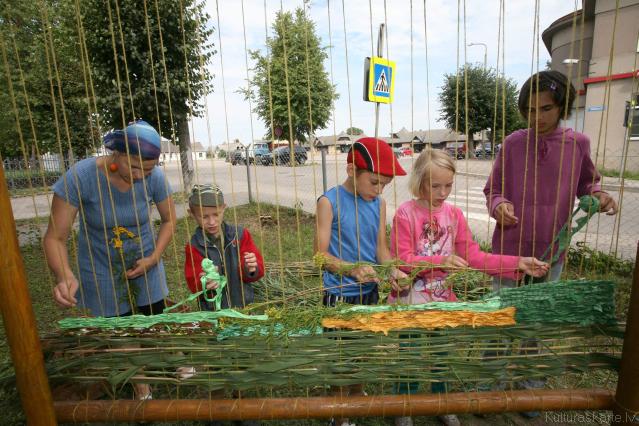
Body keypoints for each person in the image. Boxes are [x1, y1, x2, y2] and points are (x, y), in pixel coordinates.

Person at [482, 70, 618, 417]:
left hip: (550, 252)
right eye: (529, 109)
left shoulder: (578, 144)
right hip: (508, 251)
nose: (536, 117)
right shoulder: (512, 144)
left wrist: (599, 195)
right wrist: (498, 205)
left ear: (562, 107)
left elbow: (588, 184)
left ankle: (529, 390)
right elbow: (493, 189)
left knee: (537, 320)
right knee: (502, 317)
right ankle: (488, 385)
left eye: (545, 109)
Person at [390, 148, 548, 426]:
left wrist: (517, 263)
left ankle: (443, 403)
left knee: (442, 355)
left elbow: (475, 257)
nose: (442, 192)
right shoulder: (405, 214)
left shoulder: (454, 215)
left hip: (443, 301)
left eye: (448, 185)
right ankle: (406, 406)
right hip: (411, 302)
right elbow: (402, 259)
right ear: (419, 182)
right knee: (410, 357)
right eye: (434, 185)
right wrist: (441, 260)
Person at [44, 119, 176, 399]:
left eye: (148, 169)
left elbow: (168, 222)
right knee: (120, 330)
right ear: (116, 152)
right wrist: (64, 275)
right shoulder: (81, 176)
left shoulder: (155, 177)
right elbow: (55, 237)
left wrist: (153, 258)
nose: (141, 176)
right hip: (101, 266)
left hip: (146, 262)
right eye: (135, 167)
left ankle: (171, 360)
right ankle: (143, 390)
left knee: (153, 320)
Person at [315, 137, 409, 426]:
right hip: (339, 293)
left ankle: (355, 391)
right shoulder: (328, 202)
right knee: (340, 355)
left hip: (369, 291)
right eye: (374, 182)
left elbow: (381, 249)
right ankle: (339, 410)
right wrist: (351, 269)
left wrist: (393, 270)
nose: (379, 190)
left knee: (362, 349)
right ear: (350, 170)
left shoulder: (378, 204)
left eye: (384, 185)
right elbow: (320, 256)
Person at [184, 184, 264, 310]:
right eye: (204, 216)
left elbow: (254, 273)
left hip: (243, 306)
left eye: (216, 214)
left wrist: (251, 268)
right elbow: (193, 282)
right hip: (213, 311)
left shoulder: (240, 235)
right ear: (192, 214)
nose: (212, 222)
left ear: (224, 208)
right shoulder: (194, 246)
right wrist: (204, 283)